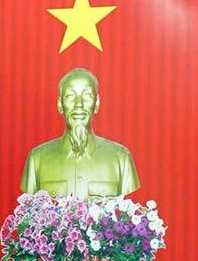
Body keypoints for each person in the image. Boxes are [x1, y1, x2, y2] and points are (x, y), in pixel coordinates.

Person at [20, 67, 139, 199]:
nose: (79, 104)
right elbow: (29, 208)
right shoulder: (37, 159)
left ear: (96, 103)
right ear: (60, 104)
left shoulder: (121, 158)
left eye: (86, 96)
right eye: (70, 96)